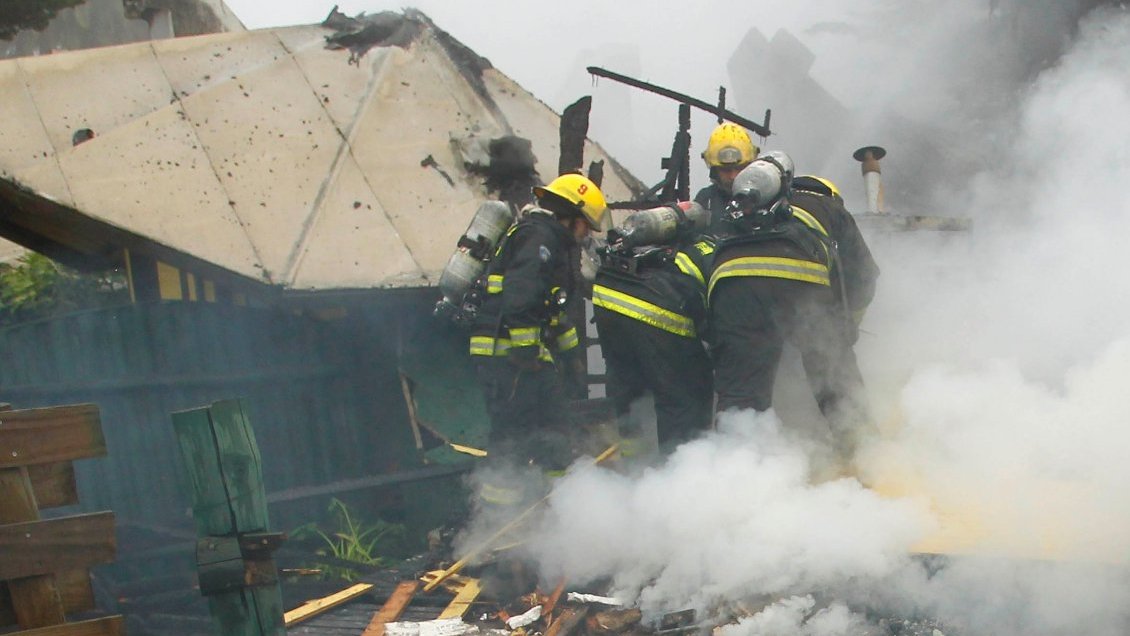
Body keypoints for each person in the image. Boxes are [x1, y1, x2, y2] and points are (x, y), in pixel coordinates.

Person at [468, 173, 607, 483]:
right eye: (585, 223)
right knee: (513, 440)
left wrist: (572, 357)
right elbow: (522, 296)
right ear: (569, 215)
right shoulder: (539, 238)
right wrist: (527, 350)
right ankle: (501, 517)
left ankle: (558, 505)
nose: (585, 234)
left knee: (555, 431)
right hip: (509, 356)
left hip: (523, 358)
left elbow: (552, 312)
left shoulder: (549, 242)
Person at [702, 151, 842, 419]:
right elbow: (861, 277)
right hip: (801, 279)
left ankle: (736, 456)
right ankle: (859, 451)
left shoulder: (733, 209)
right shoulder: (831, 209)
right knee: (834, 376)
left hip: (732, 283)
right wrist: (846, 329)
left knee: (741, 396)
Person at [591, 202, 714, 456]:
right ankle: (679, 473)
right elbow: (717, 312)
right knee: (682, 398)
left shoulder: (636, 247)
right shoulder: (708, 250)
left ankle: (634, 471)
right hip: (657, 311)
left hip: (608, 297)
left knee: (629, 393)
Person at [788, 175, 881, 461]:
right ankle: (864, 455)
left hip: (751, 309)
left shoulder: (767, 213)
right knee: (833, 374)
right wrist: (850, 322)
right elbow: (864, 276)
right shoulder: (833, 214)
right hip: (816, 313)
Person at [694, 123, 759, 230]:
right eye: (725, 170)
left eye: (739, 168)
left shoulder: (768, 198)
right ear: (715, 171)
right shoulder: (706, 201)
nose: (733, 176)